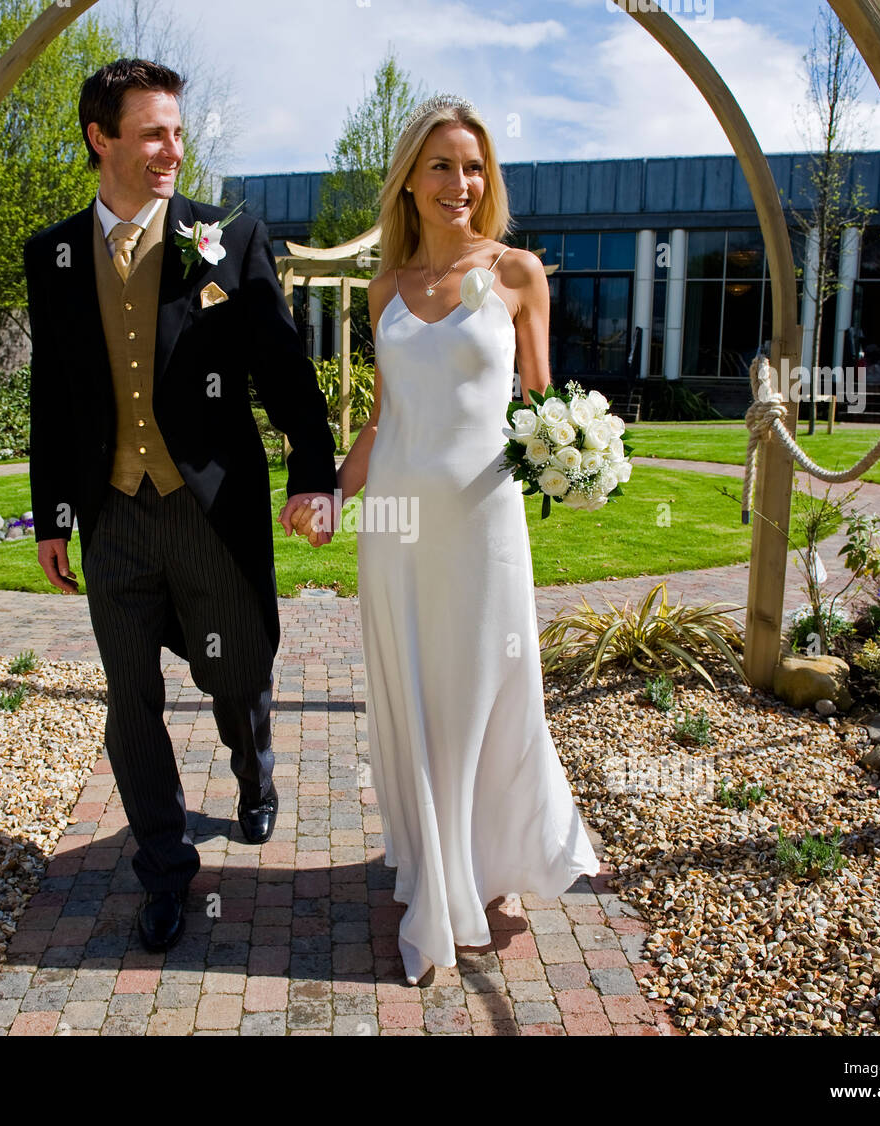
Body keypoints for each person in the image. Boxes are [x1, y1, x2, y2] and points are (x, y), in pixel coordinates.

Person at [24, 59, 337, 954]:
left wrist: (311, 470)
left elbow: (282, 366)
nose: (173, 149)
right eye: (154, 132)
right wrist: (52, 516)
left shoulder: (225, 236)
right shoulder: (51, 252)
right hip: (113, 514)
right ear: (102, 137)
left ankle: (254, 765)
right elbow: (54, 390)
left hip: (210, 509)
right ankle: (163, 875)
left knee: (233, 675)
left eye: (177, 132)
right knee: (131, 699)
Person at [292, 94, 600, 986]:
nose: (458, 183)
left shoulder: (517, 274)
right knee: (415, 697)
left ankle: (483, 866)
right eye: (440, 165)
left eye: (473, 167)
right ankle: (435, 873)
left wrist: (580, 455)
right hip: (396, 529)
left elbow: (544, 406)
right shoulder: (387, 288)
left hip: (484, 526)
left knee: (482, 693)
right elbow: (385, 423)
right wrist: (329, 493)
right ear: (410, 180)